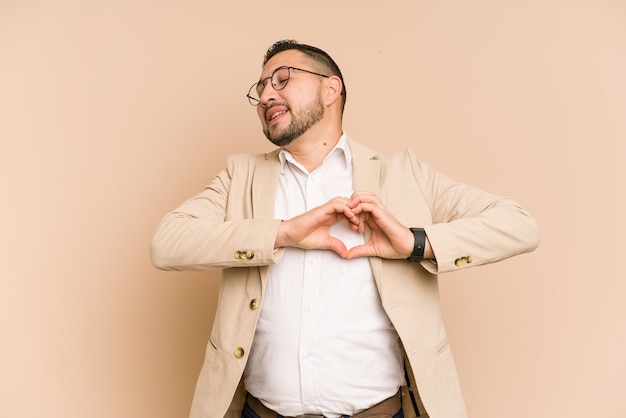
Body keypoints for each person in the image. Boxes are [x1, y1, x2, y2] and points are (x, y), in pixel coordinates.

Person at [150, 40, 540, 418]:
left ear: (330, 88)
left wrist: (414, 243)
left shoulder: (402, 174)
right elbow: (166, 243)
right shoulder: (240, 177)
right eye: (260, 89)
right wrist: (281, 232)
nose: (267, 95)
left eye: (282, 79)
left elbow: (519, 224)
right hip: (261, 412)